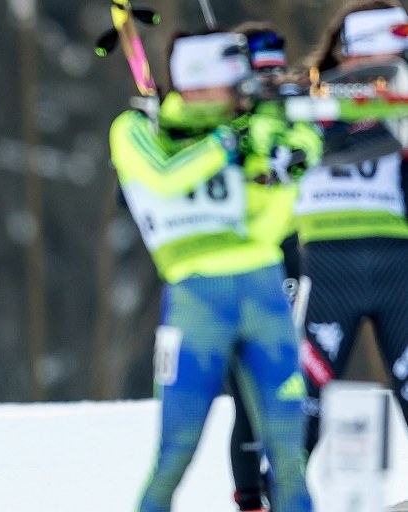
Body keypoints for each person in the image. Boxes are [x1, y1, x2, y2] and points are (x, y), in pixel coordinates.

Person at [109, 30, 321, 512]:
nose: (239, 98)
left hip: (265, 291)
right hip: (195, 304)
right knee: (174, 454)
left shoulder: (249, 127)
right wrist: (226, 142)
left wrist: (293, 153)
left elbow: (269, 221)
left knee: (289, 459)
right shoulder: (139, 128)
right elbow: (164, 178)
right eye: (232, 86)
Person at [296, 0, 408, 458]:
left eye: (397, 60)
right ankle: (272, 489)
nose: (388, 70)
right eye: (377, 59)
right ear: (349, 53)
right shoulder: (304, 98)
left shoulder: (401, 99)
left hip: (396, 262)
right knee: (303, 404)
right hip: (326, 264)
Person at [226, 21, 304, 512]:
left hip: (289, 256)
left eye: (278, 70)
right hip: (231, 263)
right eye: (262, 72)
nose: (272, 81)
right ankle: (251, 498)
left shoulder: (298, 109)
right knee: (246, 392)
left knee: (290, 382)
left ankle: (286, 490)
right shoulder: (218, 117)